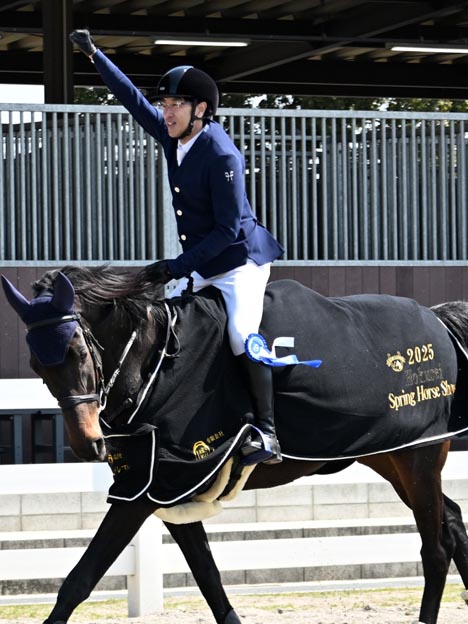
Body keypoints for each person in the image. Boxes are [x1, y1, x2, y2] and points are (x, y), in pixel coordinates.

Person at [69, 29, 284, 464]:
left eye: (175, 105)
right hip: (204, 261)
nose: (166, 113)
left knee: (243, 335)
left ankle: (268, 432)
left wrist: (176, 266)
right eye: (165, 105)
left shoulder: (223, 156)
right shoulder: (175, 137)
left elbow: (227, 231)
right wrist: (94, 56)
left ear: (200, 109)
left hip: (240, 261)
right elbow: (132, 100)